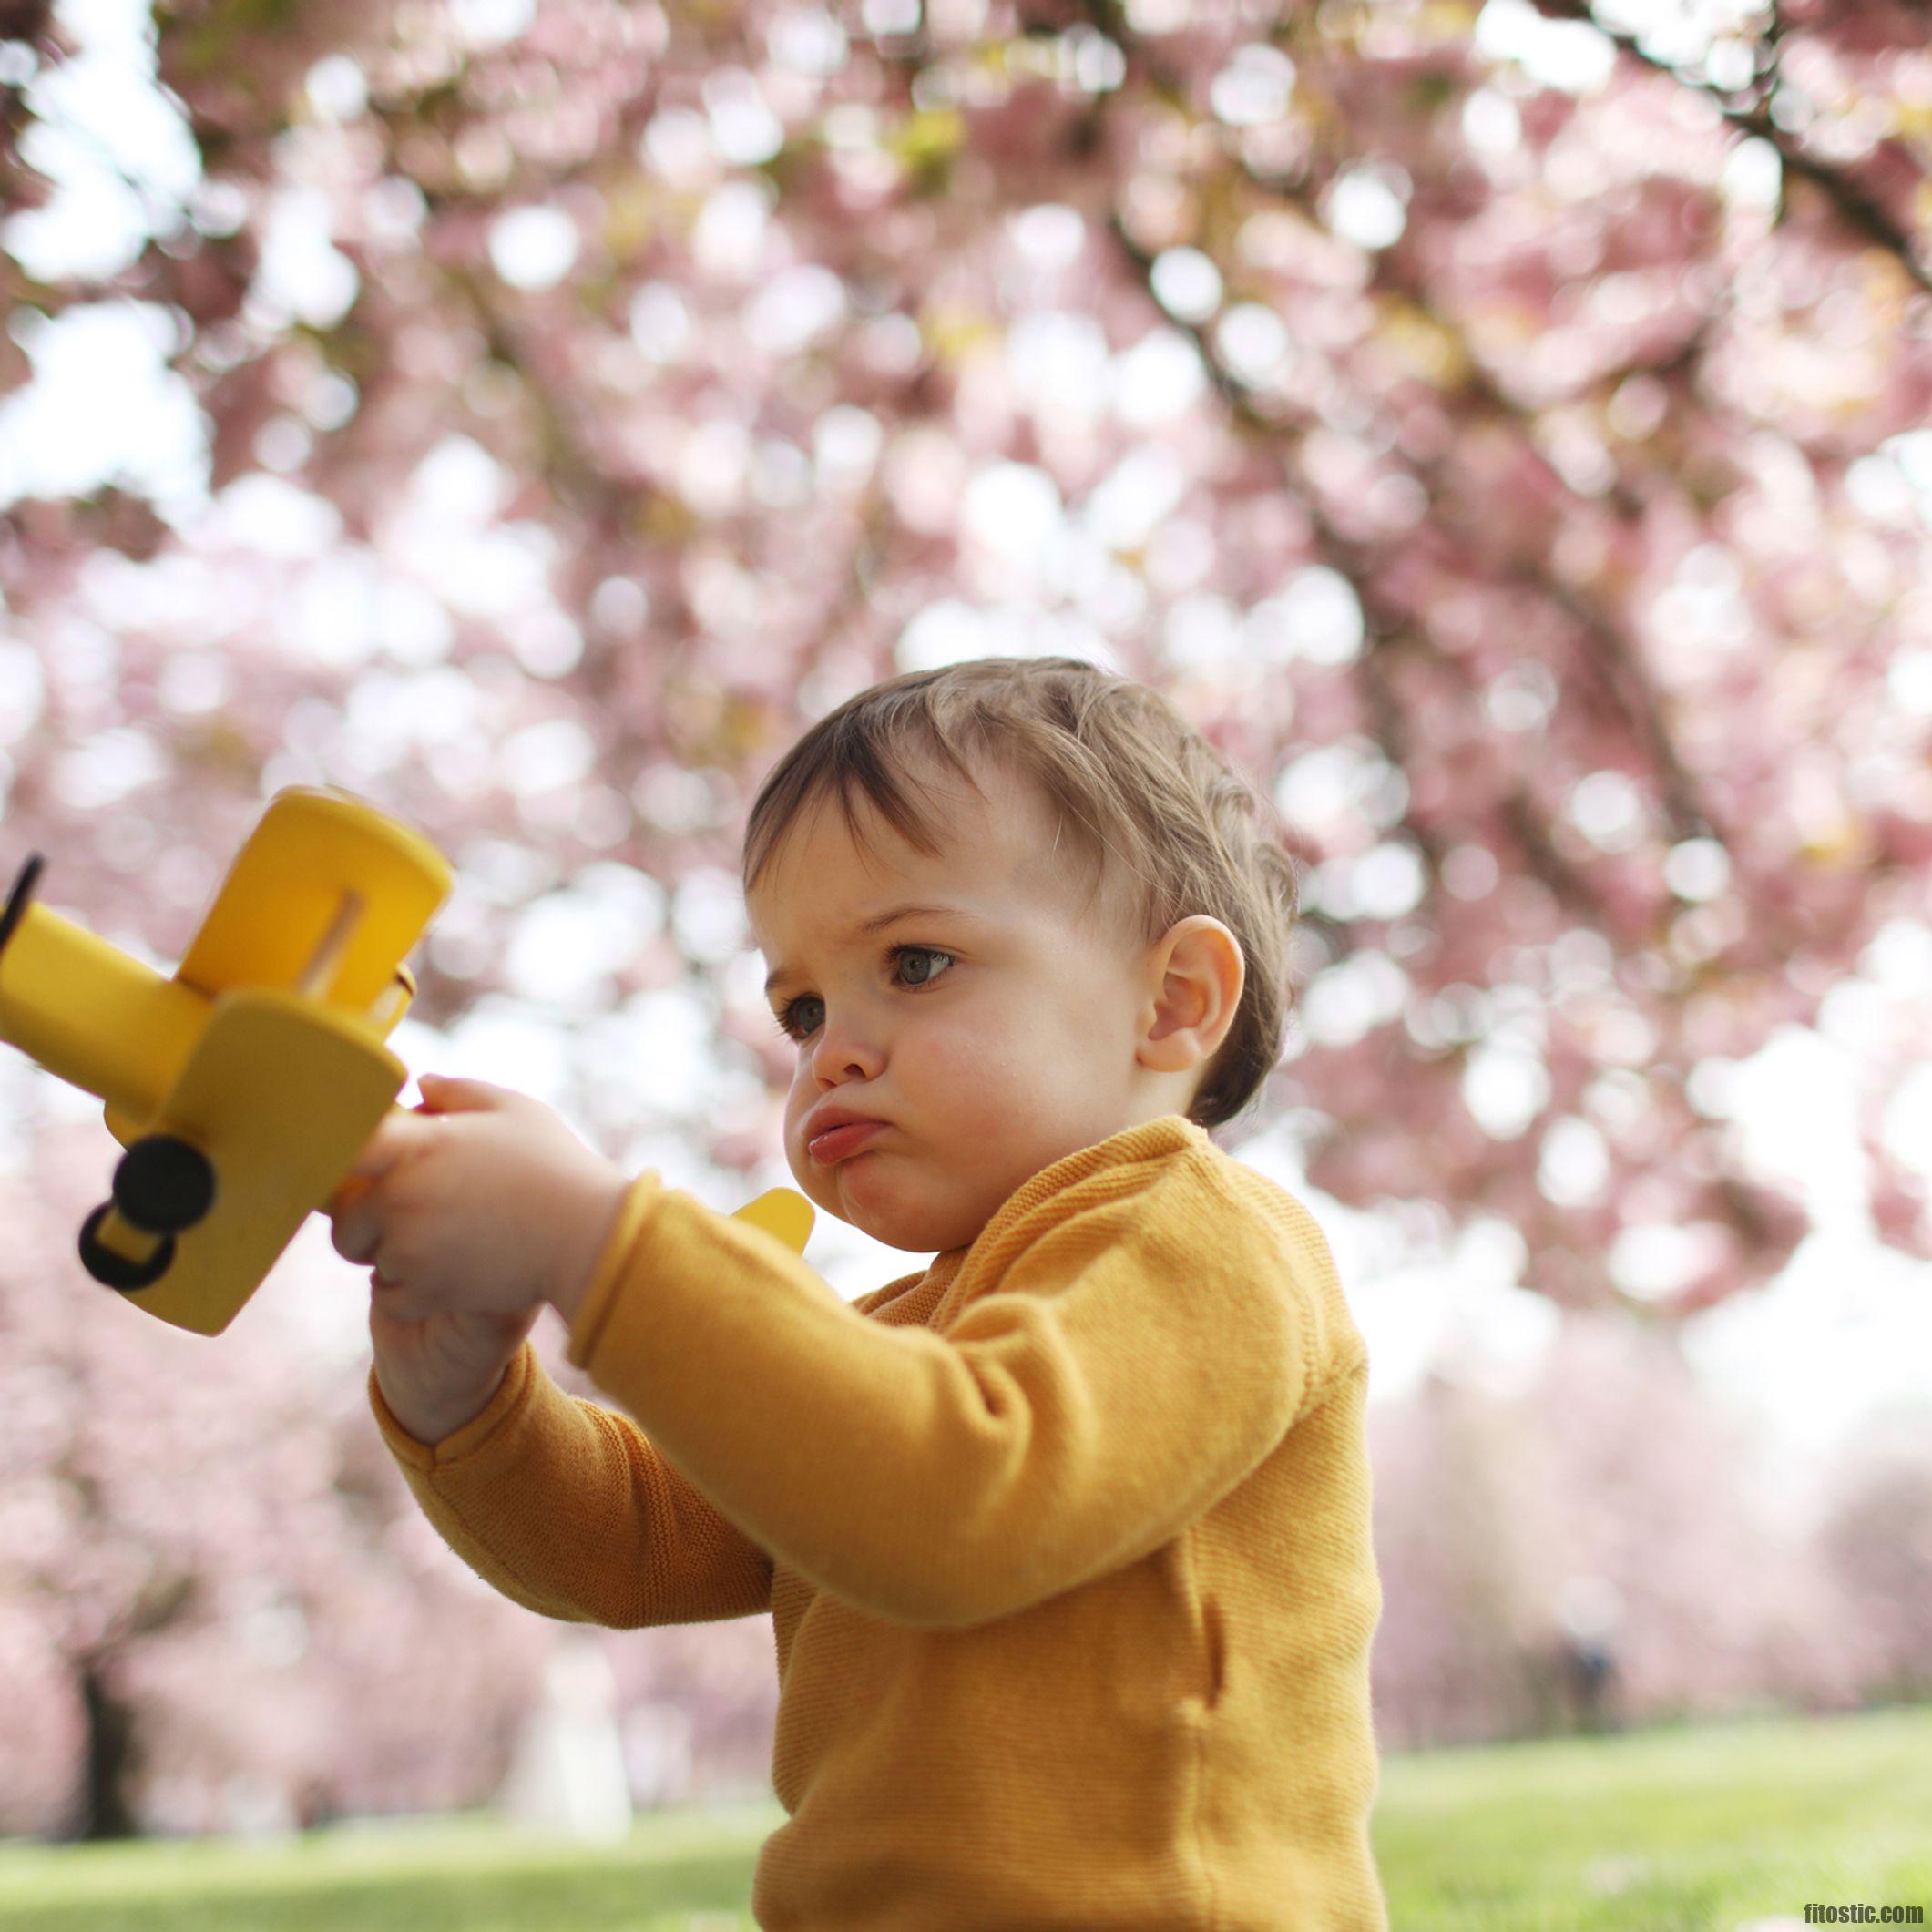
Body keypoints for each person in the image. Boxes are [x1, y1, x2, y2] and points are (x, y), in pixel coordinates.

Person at [328, 655, 1388, 1930]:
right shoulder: (900, 1336)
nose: (833, 1047)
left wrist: (599, 1239)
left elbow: (962, 1489)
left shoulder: (1210, 1243)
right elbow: (634, 1542)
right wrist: (467, 1401)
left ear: (1169, 1001)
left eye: (917, 963)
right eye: (800, 1006)